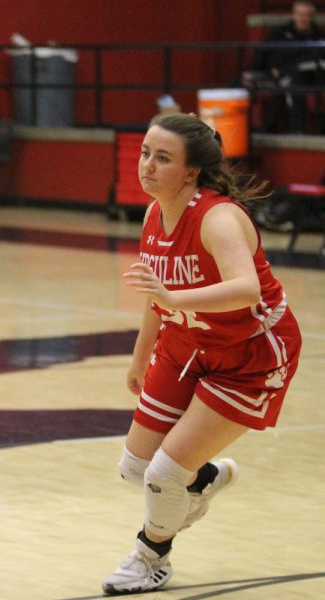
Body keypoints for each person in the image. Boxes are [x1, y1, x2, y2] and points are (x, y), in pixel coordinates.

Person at [101, 112, 302, 595]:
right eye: (146, 153)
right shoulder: (154, 213)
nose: (147, 165)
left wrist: (173, 299)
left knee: (166, 472)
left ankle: (151, 557)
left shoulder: (218, 217)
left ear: (191, 172)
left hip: (250, 353)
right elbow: (157, 290)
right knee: (135, 467)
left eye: (163, 158)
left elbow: (245, 289)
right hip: (187, 344)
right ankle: (203, 479)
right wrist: (139, 354)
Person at [242, 1, 325, 133]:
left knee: (293, 84)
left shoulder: (319, 38)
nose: (303, 19)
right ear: (293, 15)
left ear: (312, 17)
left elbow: (316, 63)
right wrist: (252, 71)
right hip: (272, 75)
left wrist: (284, 71)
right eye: (299, 14)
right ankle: (244, 131)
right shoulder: (279, 34)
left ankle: (295, 132)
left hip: (304, 79)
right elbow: (262, 54)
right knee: (237, 81)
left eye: (307, 15)